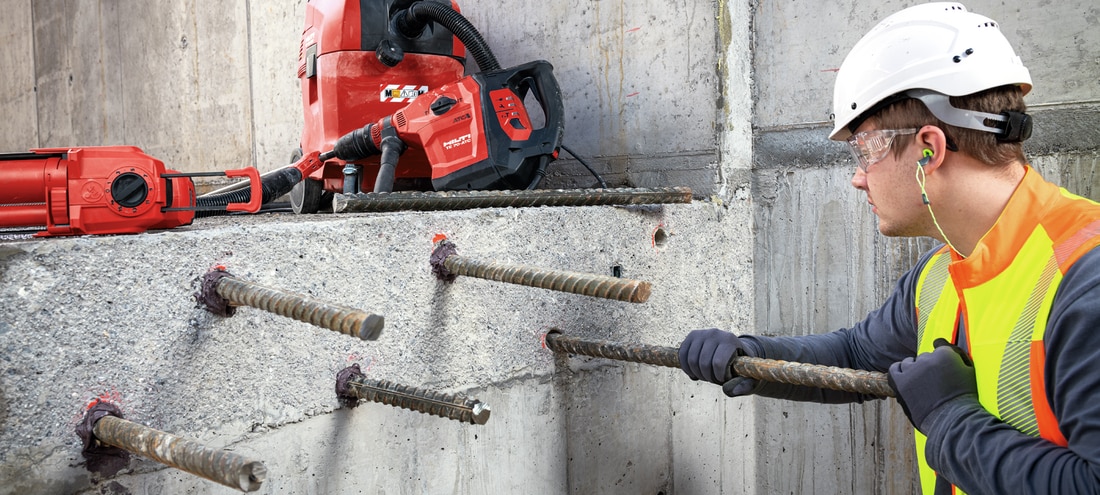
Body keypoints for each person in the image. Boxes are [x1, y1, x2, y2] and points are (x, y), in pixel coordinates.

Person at [678, 3, 1100, 494]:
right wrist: (750, 356)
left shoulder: (1083, 276)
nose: (858, 177)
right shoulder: (942, 272)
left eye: (866, 150)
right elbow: (856, 354)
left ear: (929, 148)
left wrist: (947, 418)